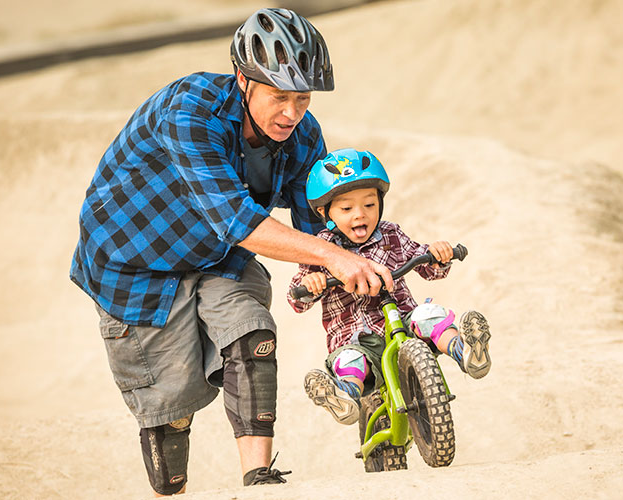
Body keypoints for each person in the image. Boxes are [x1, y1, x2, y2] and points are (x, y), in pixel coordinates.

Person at [70, 8, 394, 497]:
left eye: (302, 98)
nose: (292, 112)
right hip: (135, 264)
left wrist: (365, 317)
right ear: (243, 80)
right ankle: (172, 466)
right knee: (172, 408)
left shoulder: (302, 135)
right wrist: (334, 260)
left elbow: (325, 234)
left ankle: (258, 480)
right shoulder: (189, 111)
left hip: (218, 255)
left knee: (252, 333)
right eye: (279, 97)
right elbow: (237, 221)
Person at [287, 148, 493, 425]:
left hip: (404, 323)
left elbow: (427, 266)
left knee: (429, 314)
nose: (360, 215)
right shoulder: (321, 250)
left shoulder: (391, 235)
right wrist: (309, 284)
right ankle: (344, 397)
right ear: (326, 212)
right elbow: (296, 299)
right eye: (347, 208)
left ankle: (467, 353)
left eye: (369, 205)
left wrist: (438, 254)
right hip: (356, 339)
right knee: (350, 360)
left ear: (380, 205)